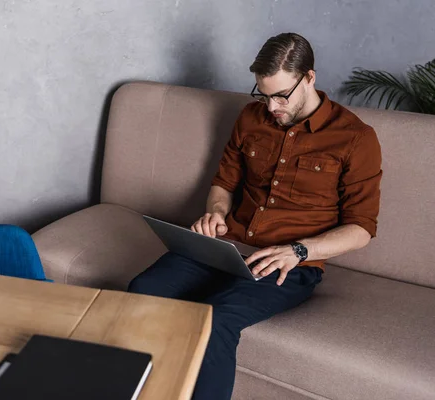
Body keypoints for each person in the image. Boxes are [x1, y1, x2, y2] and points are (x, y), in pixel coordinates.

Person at [127, 32, 382, 399]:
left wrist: (298, 251)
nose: (272, 106)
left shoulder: (356, 138)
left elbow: (362, 229)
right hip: (225, 245)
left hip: (288, 265)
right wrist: (214, 214)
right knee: (143, 291)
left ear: (309, 77)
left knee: (214, 320)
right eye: (263, 95)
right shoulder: (251, 118)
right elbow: (223, 184)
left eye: (281, 95)